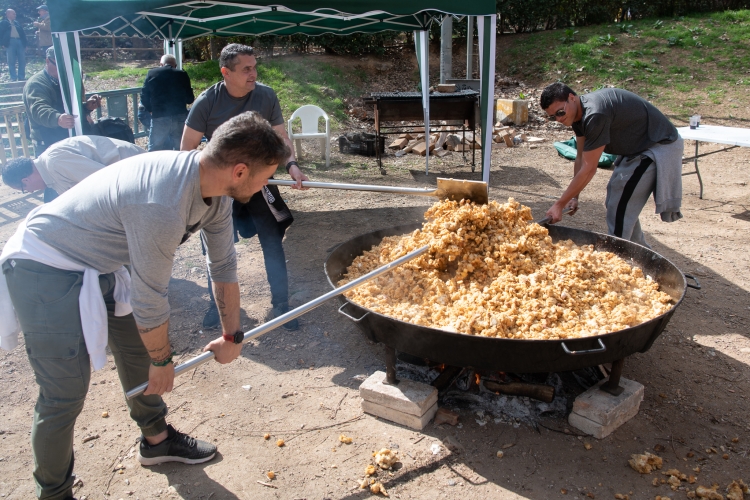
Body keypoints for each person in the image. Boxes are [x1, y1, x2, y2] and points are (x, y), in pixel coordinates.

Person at [0, 112, 290, 500]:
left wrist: (232, 334)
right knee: (64, 391)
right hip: (44, 263)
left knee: (137, 353)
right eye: (265, 175)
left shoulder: (214, 190)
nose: (266, 183)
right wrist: (162, 360)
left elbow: (222, 266)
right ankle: (53, 493)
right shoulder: (162, 201)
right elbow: (150, 295)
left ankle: (157, 441)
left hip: (100, 261)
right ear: (239, 171)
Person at [181, 43, 309, 330]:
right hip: (222, 184)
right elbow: (187, 148)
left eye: (255, 67)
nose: (254, 74)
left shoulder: (265, 95)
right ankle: (218, 305)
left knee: (272, 239)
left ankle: (281, 304)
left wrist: (291, 165)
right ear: (226, 72)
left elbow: (280, 137)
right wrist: (197, 191)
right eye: (246, 69)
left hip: (258, 181)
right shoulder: (207, 102)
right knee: (215, 247)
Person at [539, 83, 684, 248]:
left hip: (657, 146)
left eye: (560, 112)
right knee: (617, 200)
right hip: (636, 148)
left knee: (620, 205)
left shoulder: (595, 114)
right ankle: (640, 256)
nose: (558, 119)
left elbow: (589, 168)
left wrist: (558, 204)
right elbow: (580, 157)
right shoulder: (577, 115)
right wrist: (573, 197)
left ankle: (617, 257)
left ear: (572, 98)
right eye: (553, 117)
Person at [1, 135, 145, 202]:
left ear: (26, 180)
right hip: (127, 179)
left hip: (139, 170)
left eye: (24, 189)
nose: (30, 192)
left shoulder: (55, 162)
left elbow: (105, 182)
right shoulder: (51, 177)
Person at [23, 47, 102, 155]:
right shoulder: (36, 83)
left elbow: (68, 108)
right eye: (60, 66)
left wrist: (85, 107)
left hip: (69, 140)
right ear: (47, 61)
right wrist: (58, 119)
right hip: (46, 143)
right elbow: (38, 109)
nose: (64, 71)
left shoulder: (67, 81)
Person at [141, 54, 194, 151]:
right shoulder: (182, 74)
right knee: (181, 149)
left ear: (161, 64)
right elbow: (190, 98)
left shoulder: (152, 73)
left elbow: (144, 96)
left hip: (159, 116)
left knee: (155, 149)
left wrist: (150, 110)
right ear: (175, 65)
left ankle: (155, 166)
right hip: (180, 115)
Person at [0, 9, 27, 81]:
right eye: (13, 14)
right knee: (11, 60)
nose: (15, 15)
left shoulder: (17, 23)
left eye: (15, 14)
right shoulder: (3, 23)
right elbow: (1, 34)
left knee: (22, 59)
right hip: (10, 42)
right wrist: (2, 43)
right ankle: (13, 77)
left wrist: (25, 44)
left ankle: (21, 77)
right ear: (8, 14)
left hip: (19, 41)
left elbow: (23, 34)